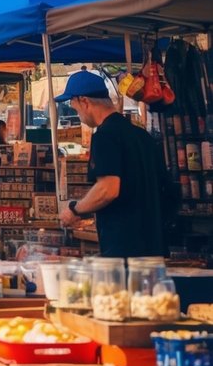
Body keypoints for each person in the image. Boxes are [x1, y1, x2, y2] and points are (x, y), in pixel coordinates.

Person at [56, 72, 171, 257]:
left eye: (75, 108)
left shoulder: (104, 136)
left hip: (124, 248)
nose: (79, 115)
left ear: (84, 101)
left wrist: (75, 209)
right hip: (154, 246)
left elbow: (107, 190)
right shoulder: (141, 136)